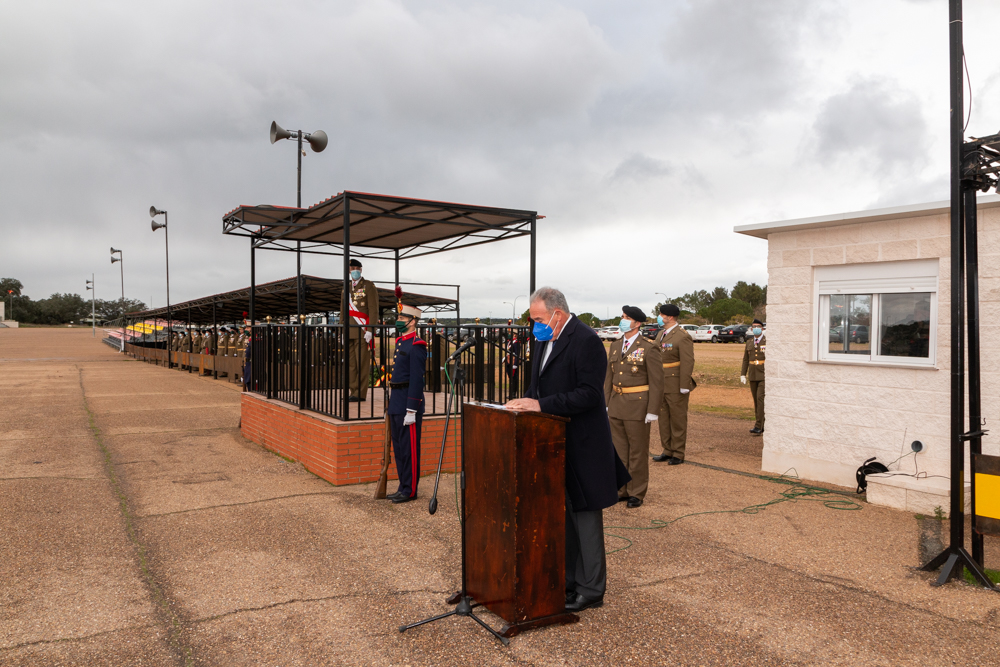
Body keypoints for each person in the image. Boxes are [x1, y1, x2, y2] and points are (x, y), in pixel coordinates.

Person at [506, 287, 630, 613]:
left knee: (586, 520)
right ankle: (570, 581)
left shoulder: (586, 340)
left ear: (557, 314)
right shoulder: (544, 339)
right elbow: (539, 386)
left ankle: (592, 589)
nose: (534, 326)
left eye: (538, 319)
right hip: (554, 443)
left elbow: (589, 394)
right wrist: (524, 401)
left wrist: (540, 404)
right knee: (565, 520)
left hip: (584, 444)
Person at [604, 306, 662, 508]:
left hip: (638, 406)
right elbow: (608, 378)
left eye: (626, 318)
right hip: (617, 405)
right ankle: (622, 489)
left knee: (637, 451)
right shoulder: (615, 345)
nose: (622, 320)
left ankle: (637, 491)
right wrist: (606, 403)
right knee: (619, 451)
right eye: (622, 317)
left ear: (637, 323)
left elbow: (657, 381)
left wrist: (653, 410)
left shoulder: (649, 346)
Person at [386, 303, 427, 504]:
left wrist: (412, 408)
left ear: (413, 321)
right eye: (399, 318)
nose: (398, 321)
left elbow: (417, 379)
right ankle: (403, 486)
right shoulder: (402, 342)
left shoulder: (417, 345)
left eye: (402, 319)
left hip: (408, 403)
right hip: (397, 400)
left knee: (409, 449)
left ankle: (410, 490)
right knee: (400, 448)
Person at [652, 304, 695, 464]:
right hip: (661, 383)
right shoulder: (661, 334)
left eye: (661, 314)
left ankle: (678, 453)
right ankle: (667, 450)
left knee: (677, 419)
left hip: (676, 384)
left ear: (669, 317)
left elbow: (687, 361)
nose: (659, 317)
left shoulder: (682, 336)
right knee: (663, 418)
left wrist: (684, 384)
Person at [347, 259, 380, 402]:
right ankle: (353, 391)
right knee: (351, 364)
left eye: (356, 268)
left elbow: (373, 309)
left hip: (362, 331)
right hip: (349, 330)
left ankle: (360, 394)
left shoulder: (368, 285)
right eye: (352, 268)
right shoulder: (346, 286)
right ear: (348, 270)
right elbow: (344, 310)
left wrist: (370, 330)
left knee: (361, 363)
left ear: (361, 269)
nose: (354, 270)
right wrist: (343, 330)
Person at [741, 318, 766, 435]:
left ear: (762, 328)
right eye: (754, 327)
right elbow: (745, 359)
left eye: (758, 327)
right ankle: (763, 424)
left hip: (763, 374)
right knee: (756, 401)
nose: (756, 329)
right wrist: (743, 374)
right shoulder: (749, 342)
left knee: (760, 399)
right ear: (751, 329)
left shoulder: (767, 341)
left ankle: (758, 426)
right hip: (752, 374)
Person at [504, 326, 522, 399]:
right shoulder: (510, 342)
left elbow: (517, 354)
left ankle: (513, 393)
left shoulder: (516, 343)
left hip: (513, 362)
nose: (509, 334)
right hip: (509, 361)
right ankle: (511, 393)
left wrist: (515, 364)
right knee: (510, 377)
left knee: (514, 378)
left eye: (510, 333)